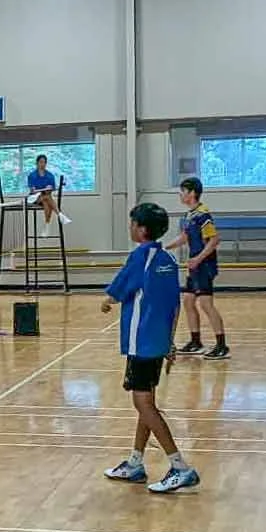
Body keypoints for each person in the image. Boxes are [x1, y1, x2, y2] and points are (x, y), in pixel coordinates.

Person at [101, 203, 199, 495]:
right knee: (147, 402)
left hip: (141, 342)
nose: (130, 228)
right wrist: (170, 341)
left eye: (132, 224)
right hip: (157, 341)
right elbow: (175, 304)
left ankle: (180, 466)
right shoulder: (168, 260)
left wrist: (107, 301)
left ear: (141, 229)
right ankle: (135, 463)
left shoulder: (140, 257)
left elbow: (119, 290)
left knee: (143, 404)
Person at [168, 176, 228, 359]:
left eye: (183, 191)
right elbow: (185, 237)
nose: (180, 195)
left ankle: (222, 346)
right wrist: (164, 248)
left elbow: (214, 240)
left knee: (205, 304)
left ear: (192, 193)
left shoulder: (203, 215)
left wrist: (199, 259)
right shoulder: (189, 215)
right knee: (187, 301)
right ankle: (196, 341)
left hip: (204, 266)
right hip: (194, 266)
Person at [25, 155, 70, 232]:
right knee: (47, 198)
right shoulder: (32, 175)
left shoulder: (50, 175)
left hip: (45, 197)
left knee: (46, 201)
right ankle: (60, 214)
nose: (42, 164)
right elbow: (32, 191)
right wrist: (40, 190)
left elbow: (52, 189)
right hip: (35, 198)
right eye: (41, 162)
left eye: (44, 162)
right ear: (37, 163)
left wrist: (49, 189)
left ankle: (47, 226)